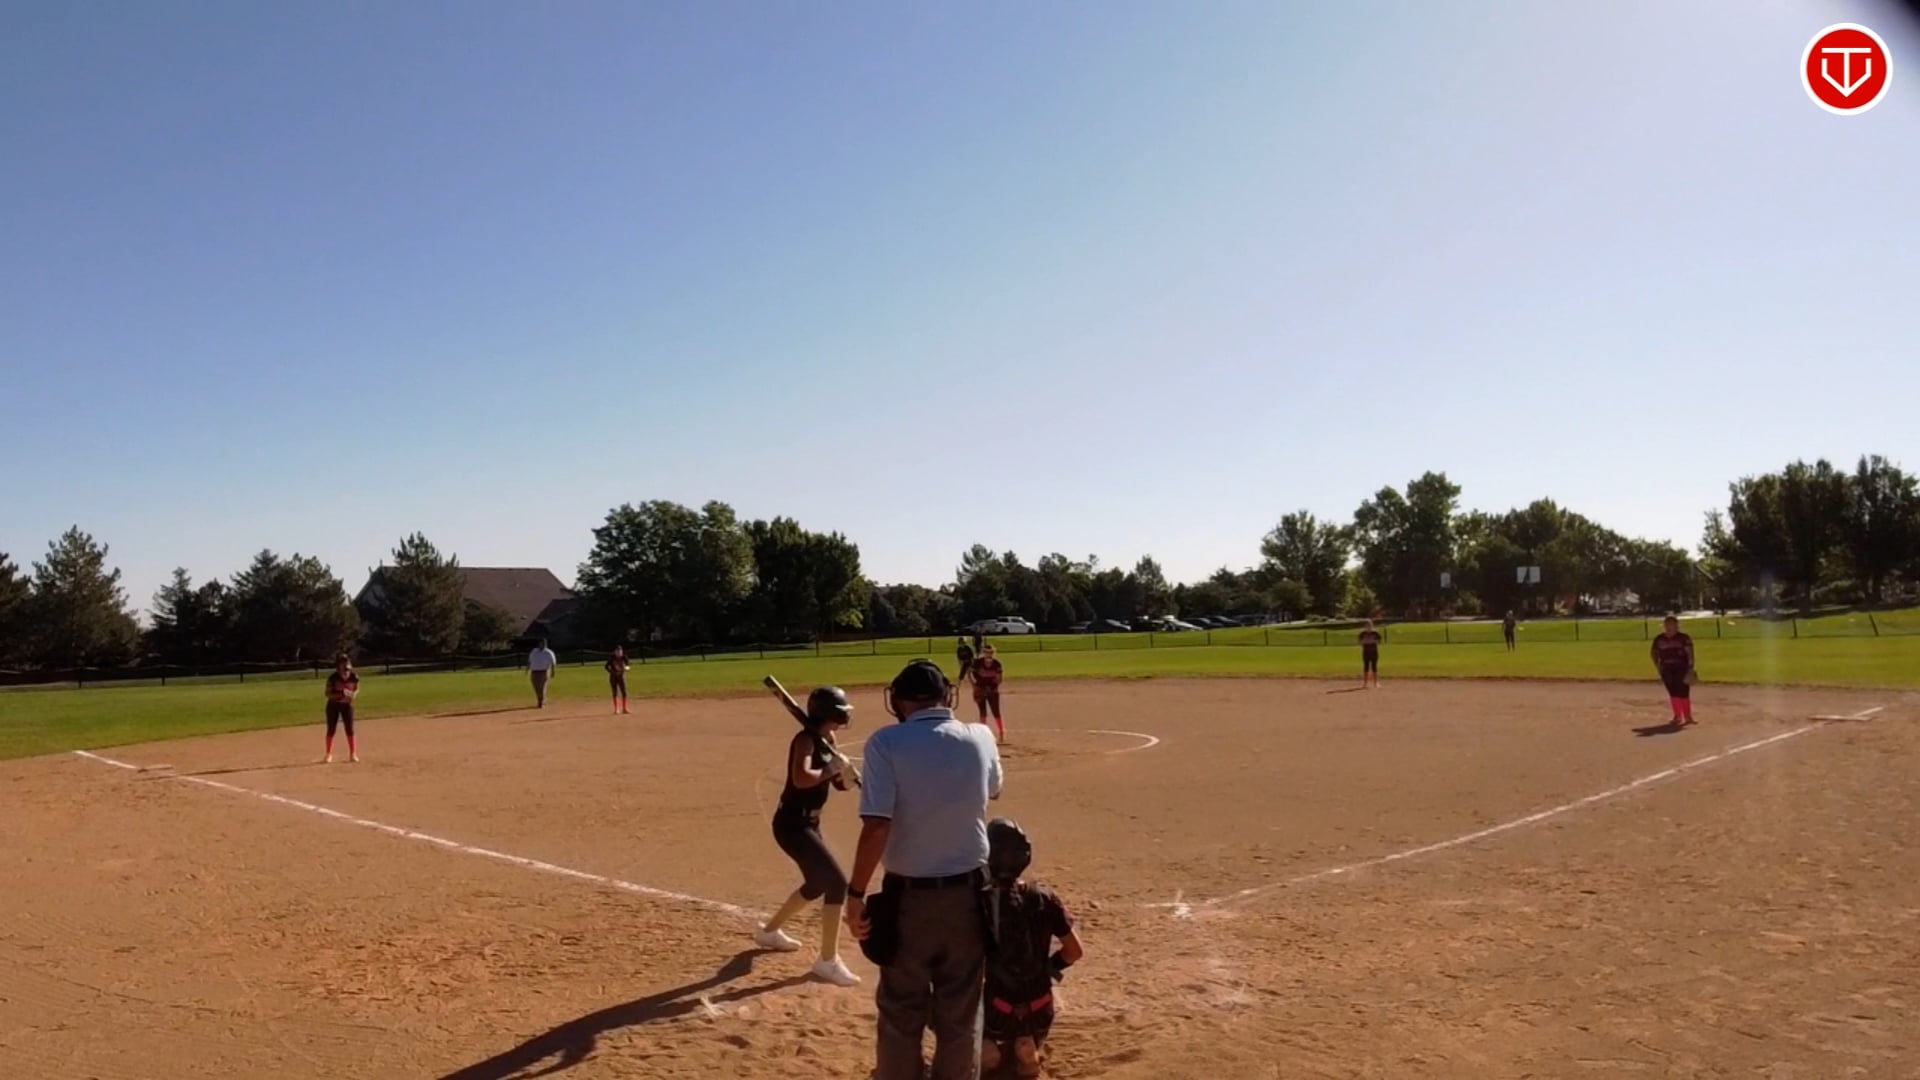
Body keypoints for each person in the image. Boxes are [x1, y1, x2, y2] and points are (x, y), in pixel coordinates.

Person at [844, 659, 1004, 1080]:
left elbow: (877, 827)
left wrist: (855, 894)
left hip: (909, 899)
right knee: (961, 1008)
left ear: (898, 701)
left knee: (901, 1007)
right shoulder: (981, 735)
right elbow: (993, 789)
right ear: (947, 696)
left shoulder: (885, 743)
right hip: (970, 896)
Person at [754, 686, 862, 987]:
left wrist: (845, 776)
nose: (844, 716)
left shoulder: (828, 739)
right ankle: (827, 961)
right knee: (837, 883)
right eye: (840, 711)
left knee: (817, 884)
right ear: (828, 713)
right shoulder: (804, 740)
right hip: (791, 825)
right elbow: (801, 779)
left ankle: (769, 932)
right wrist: (830, 769)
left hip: (810, 824)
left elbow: (835, 783)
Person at [980, 818, 1083, 1079]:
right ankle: (1027, 1052)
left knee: (987, 1055)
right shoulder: (1044, 897)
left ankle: (995, 1049)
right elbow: (1074, 952)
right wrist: (1048, 968)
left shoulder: (981, 902)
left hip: (996, 1011)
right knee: (1024, 1048)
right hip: (1040, 1010)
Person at [1651, 615, 1698, 727]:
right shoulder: (1659, 639)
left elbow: (1690, 653)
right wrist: (1658, 666)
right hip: (1666, 668)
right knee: (1672, 691)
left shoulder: (1683, 638)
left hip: (1681, 668)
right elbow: (1654, 653)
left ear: (1677, 626)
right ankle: (1677, 716)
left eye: (1672, 625)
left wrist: (1691, 667)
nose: (1669, 627)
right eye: (1667, 625)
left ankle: (1687, 716)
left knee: (1683, 692)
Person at [323, 653, 359, 764]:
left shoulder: (354, 676)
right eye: (342, 664)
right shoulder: (333, 678)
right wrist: (341, 694)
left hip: (347, 705)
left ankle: (353, 753)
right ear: (338, 666)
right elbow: (327, 693)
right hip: (333, 705)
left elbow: (356, 689)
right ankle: (328, 754)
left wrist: (353, 695)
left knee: (350, 729)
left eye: (346, 663)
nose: (345, 670)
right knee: (331, 729)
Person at [971, 643, 1006, 740]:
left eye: (991, 652)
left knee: (996, 711)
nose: (989, 654)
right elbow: (971, 674)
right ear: (983, 653)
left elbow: (999, 679)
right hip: (981, 689)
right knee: (983, 712)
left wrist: (992, 687)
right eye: (986, 652)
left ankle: (1001, 732)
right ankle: (982, 734)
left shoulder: (997, 664)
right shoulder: (978, 663)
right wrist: (974, 686)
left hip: (992, 691)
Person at [527, 638, 558, 708]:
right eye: (541, 643)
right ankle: (540, 699)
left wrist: (553, 671)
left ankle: (541, 701)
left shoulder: (549, 652)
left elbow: (553, 663)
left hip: (544, 672)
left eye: (544, 643)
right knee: (536, 687)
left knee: (542, 687)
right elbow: (529, 661)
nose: (542, 645)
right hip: (534, 672)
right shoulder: (534, 651)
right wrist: (527, 669)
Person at [604, 646, 631, 714]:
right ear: (615, 652)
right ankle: (616, 709)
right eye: (617, 651)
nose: (619, 653)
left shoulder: (624, 657)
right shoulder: (612, 658)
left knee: (624, 692)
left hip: (621, 676)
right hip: (613, 677)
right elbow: (606, 666)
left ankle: (624, 709)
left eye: (620, 651)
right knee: (615, 692)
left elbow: (628, 665)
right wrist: (611, 672)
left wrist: (626, 668)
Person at [1357, 620, 1383, 688]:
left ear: (1372, 626)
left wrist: (1374, 641)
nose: (1368, 627)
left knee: (1374, 666)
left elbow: (1380, 640)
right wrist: (1364, 642)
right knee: (1366, 667)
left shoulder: (1375, 633)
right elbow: (1359, 641)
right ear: (1365, 626)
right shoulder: (1362, 633)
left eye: (1369, 625)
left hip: (1374, 652)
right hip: (1366, 652)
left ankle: (1376, 682)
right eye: (1367, 625)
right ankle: (1365, 683)